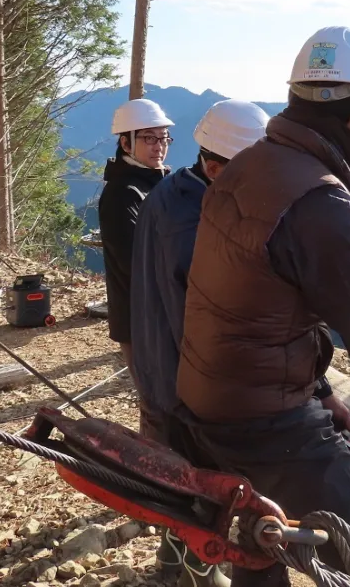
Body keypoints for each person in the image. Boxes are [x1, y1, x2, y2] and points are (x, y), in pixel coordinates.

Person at [176, 26, 350, 587]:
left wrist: (322, 390)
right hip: (265, 422)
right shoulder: (319, 202)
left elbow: (256, 305)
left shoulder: (248, 167)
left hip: (203, 402)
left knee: (257, 550)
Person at [129, 99, 270, 587]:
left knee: (181, 482)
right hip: (182, 379)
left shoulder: (177, 192)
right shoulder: (189, 219)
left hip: (163, 366)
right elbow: (217, 304)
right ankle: (195, 576)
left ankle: (172, 567)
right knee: (200, 489)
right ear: (214, 166)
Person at [98, 97, 173, 373]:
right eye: (149, 138)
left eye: (163, 138)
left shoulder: (154, 183)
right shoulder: (123, 193)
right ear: (126, 144)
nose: (159, 146)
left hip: (160, 312)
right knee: (156, 395)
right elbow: (133, 263)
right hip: (142, 317)